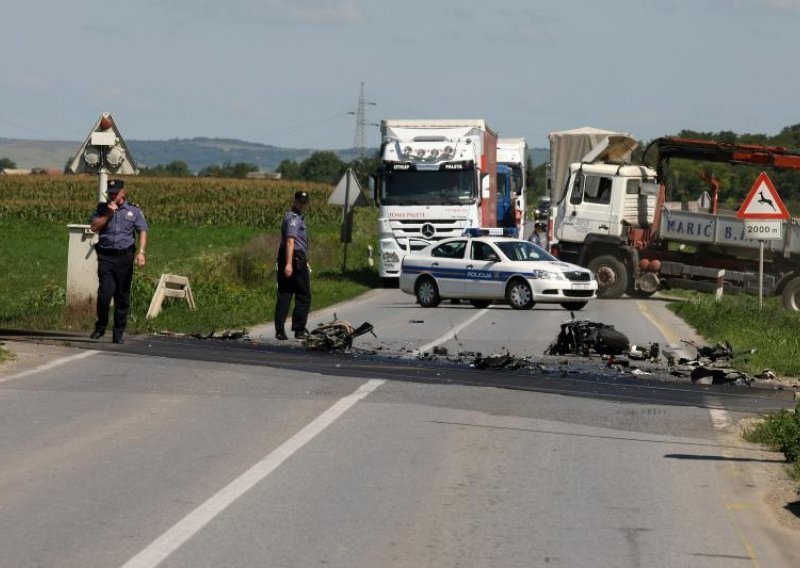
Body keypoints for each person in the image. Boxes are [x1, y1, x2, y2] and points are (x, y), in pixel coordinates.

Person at [89, 179, 148, 344]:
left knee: (122, 296)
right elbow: (94, 227)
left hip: (124, 257)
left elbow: (142, 230)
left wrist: (141, 252)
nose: (113, 196)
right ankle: (100, 327)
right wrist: (108, 214)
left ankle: (118, 332)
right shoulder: (102, 208)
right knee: (105, 294)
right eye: (111, 193)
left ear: (123, 192)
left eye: (116, 192)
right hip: (106, 256)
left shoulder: (133, 210)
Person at [275, 191, 311, 340]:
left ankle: (280, 330)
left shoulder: (296, 217)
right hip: (293, 258)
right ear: (294, 201)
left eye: (304, 202)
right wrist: (289, 264)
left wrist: (305, 261)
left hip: (295, 257)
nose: (302, 204)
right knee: (303, 294)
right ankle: (299, 329)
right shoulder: (294, 219)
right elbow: (290, 242)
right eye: (299, 202)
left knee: (286, 293)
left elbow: (297, 243)